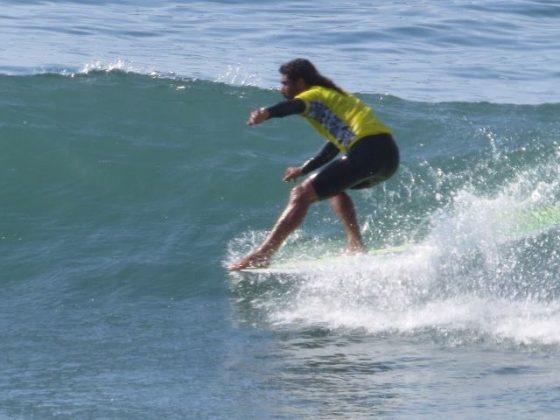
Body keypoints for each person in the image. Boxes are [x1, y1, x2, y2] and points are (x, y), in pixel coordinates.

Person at [229, 58, 399, 271]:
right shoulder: (334, 98)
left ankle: (263, 255)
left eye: (285, 83)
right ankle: (355, 244)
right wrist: (304, 169)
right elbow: (334, 146)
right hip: (388, 156)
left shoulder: (313, 95)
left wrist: (268, 112)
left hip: (367, 151)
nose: (282, 88)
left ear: (300, 83)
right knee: (334, 188)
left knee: (300, 195)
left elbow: (294, 105)